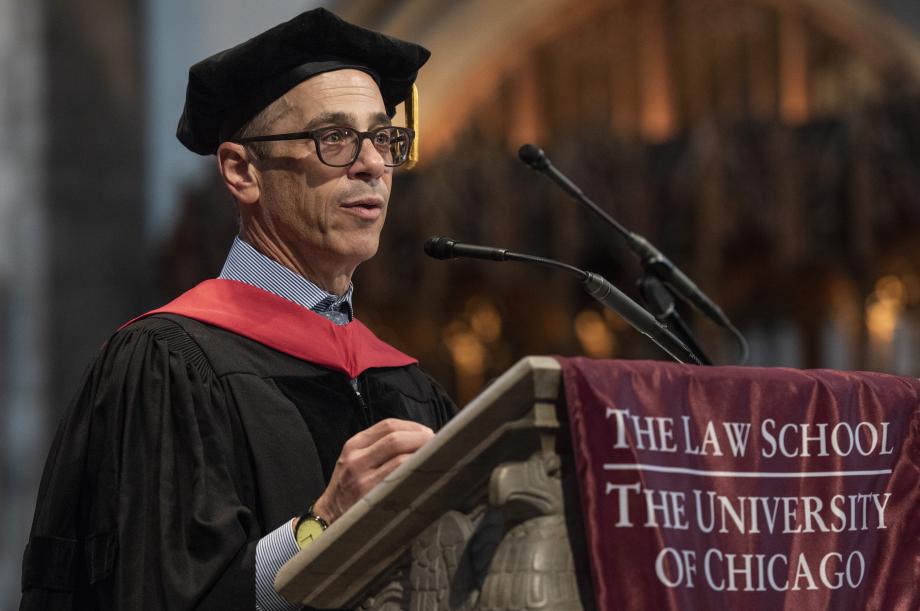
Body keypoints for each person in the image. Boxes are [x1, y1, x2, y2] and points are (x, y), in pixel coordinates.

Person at [20, 8, 455, 611]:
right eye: (335, 138)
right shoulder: (167, 366)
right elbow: (154, 596)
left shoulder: (408, 386)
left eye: (383, 138)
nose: (373, 164)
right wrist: (325, 525)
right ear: (240, 171)